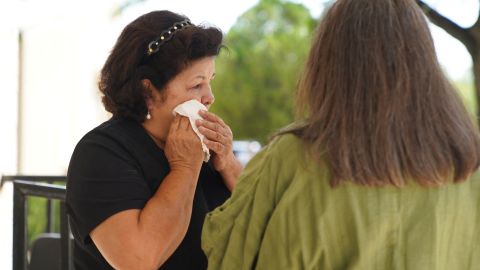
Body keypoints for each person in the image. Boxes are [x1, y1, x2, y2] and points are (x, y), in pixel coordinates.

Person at [202, 0, 480, 269]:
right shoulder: (470, 163)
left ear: (328, 63)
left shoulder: (293, 157)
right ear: (425, 62)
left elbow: (227, 253)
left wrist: (185, 166)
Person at [66, 10, 242, 270]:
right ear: (147, 90)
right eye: (197, 85)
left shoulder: (201, 148)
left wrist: (228, 163)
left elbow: (266, 224)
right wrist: (184, 168)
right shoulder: (101, 153)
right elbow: (139, 261)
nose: (209, 97)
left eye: (210, 82)